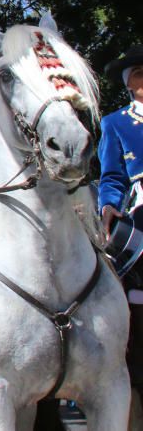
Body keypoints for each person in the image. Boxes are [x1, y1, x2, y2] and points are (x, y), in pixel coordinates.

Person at [98, 45, 143, 390]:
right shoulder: (115, 123)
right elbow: (112, 175)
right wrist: (108, 206)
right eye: (140, 75)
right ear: (130, 84)